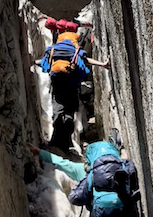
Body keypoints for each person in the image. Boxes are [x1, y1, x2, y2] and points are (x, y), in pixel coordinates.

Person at [36, 19, 109, 152]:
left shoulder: (53, 48)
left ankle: (55, 142)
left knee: (58, 109)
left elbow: (44, 63)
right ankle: (66, 142)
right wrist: (102, 64)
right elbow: (85, 60)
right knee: (69, 111)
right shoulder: (75, 49)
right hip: (72, 84)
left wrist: (33, 62)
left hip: (57, 82)